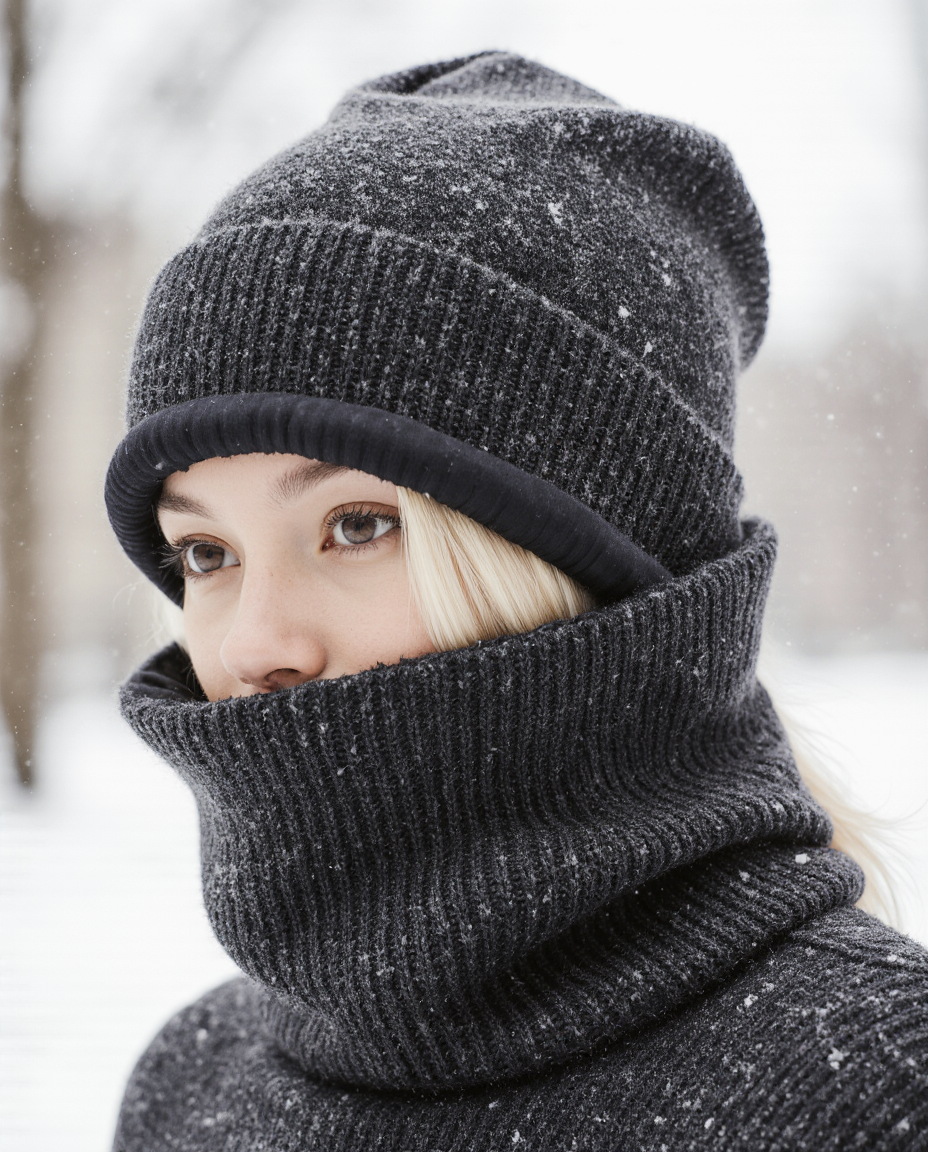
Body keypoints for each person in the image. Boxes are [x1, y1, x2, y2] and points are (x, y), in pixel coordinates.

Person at [104, 50, 928, 1151]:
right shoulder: (187, 1089)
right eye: (204, 553)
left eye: (358, 525)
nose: (255, 642)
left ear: (587, 568)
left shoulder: (874, 1091)